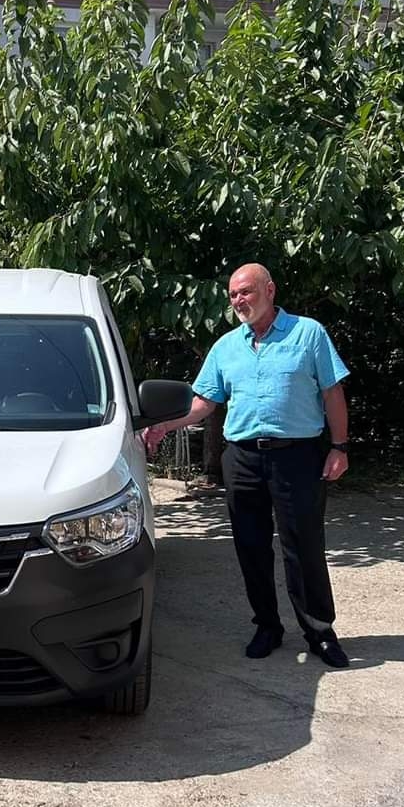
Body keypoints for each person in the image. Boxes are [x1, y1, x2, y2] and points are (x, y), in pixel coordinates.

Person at [145, 263, 352, 669]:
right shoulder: (226, 347)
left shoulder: (308, 334)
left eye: (246, 291)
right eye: (233, 295)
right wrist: (164, 425)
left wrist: (339, 447)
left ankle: (319, 632)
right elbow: (204, 402)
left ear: (269, 290)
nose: (239, 300)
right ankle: (267, 626)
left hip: (298, 455)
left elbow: (332, 392)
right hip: (242, 458)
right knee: (250, 545)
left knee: (304, 545)